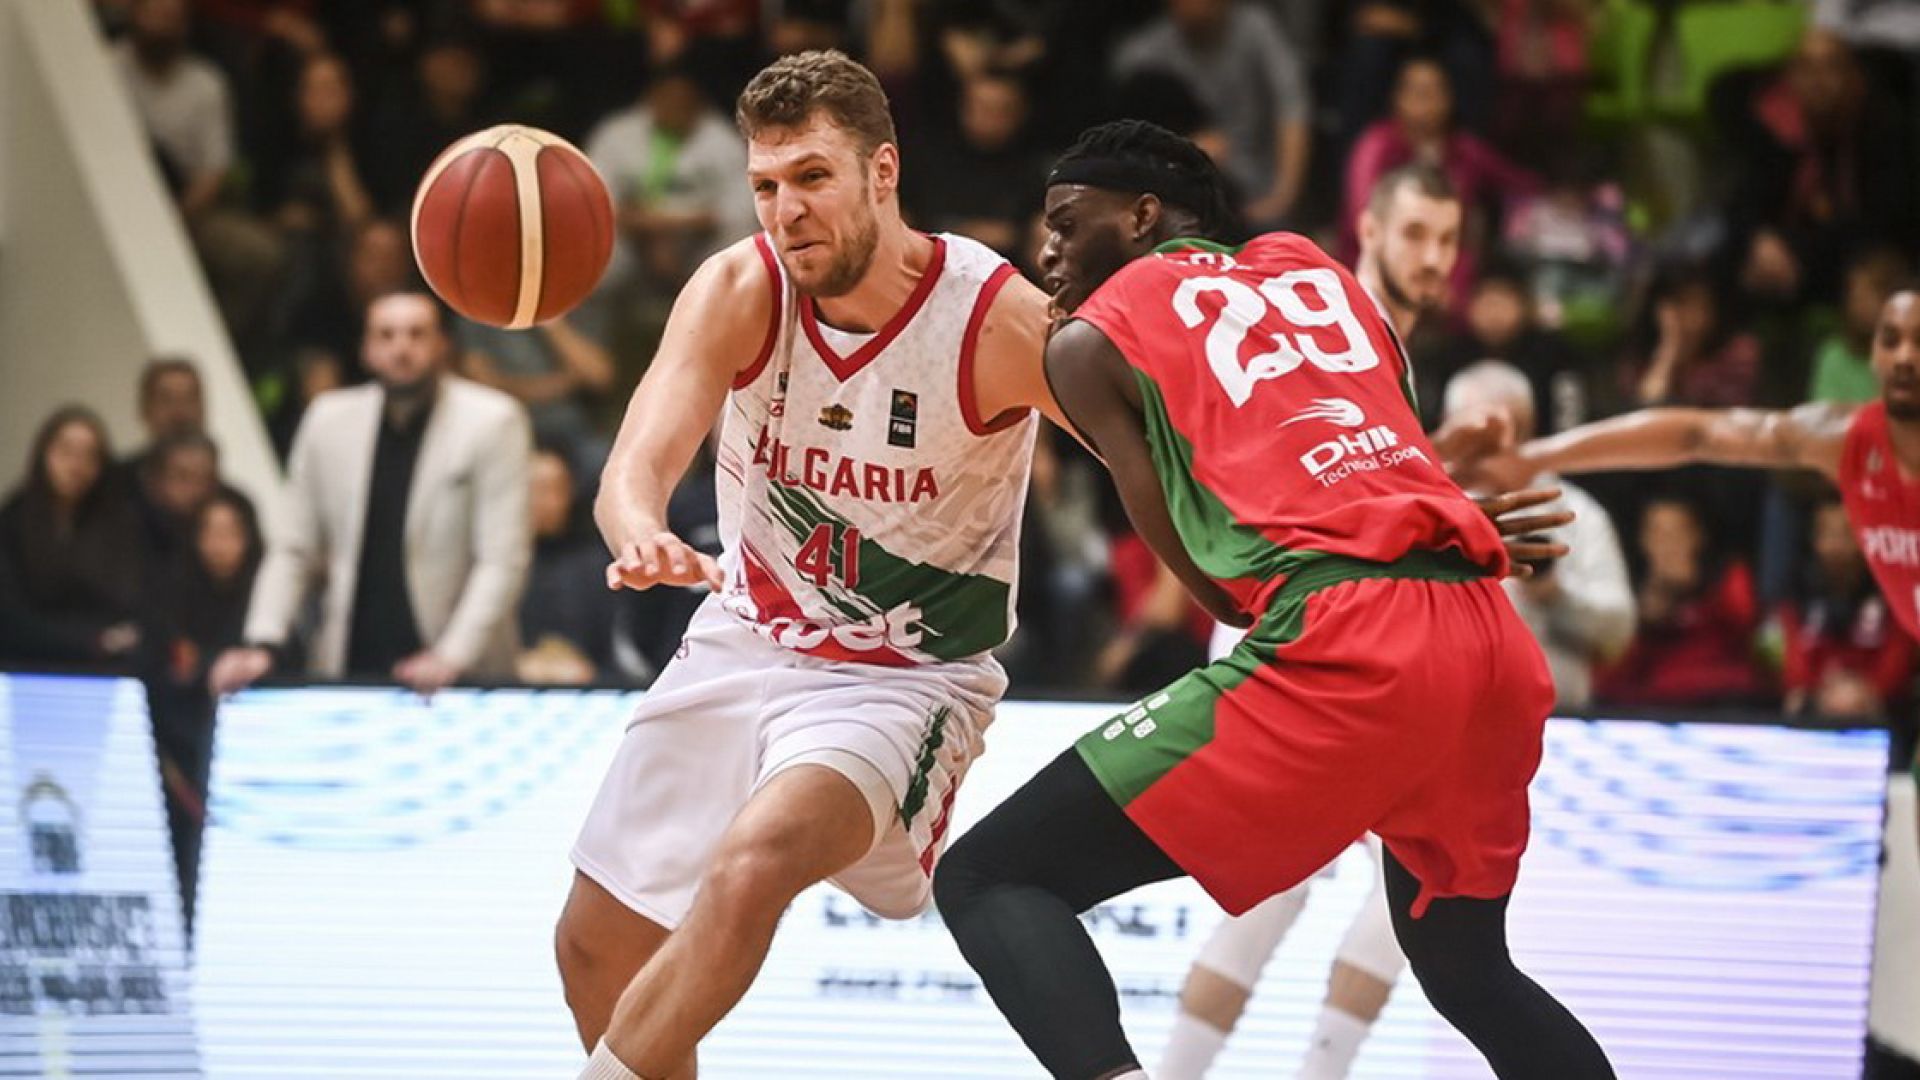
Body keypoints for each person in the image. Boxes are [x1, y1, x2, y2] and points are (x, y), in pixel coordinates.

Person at [934, 119, 1614, 1080]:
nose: (1045, 249)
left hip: (1351, 644)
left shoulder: (1086, 342)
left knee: (990, 876)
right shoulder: (1318, 269)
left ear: (1142, 216)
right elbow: (1379, 454)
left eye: (1066, 222)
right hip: (1485, 628)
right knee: (1469, 970)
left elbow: (1215, 586)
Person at [556, 50, 1064, 1080]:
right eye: (766, 185)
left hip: (903, 678)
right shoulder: (740, 287)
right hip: (746, 635)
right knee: (594, 949)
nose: (786, 210)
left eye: (813, 177)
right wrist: (641, 531)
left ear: (883, 170)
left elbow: (1162, 453)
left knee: (754, 862)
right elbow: (631, 471)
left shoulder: (994, 317)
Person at [1160, 160, 1468, 1080]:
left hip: (1341, 629)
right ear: (1367, 230)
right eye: (1415, 234)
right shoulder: (1320, 323)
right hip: (1297, 626)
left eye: (1448, 240)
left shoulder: (1393, 343)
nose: (1434, 257)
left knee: (1306, 889)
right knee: (1416, 869)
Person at [1470, 284, 1920, 880]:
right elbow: (1696, 434)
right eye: (1892, 339)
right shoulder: (1848, 439)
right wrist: (1538, 456)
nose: (1905, 356)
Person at [208, 290, 533, 696]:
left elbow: (502, 559)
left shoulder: (492, 421)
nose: (402, 348)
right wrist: (263, 640)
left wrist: (451, 656)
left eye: (417, 334)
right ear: (366, 349)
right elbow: (294, 547)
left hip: (460, 673)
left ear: (442, 345)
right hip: (352, 658)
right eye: (386, 335)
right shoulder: (329, 420)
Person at [1445, 362, 1634, 709]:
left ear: (1531, 428)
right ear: (1450, 431)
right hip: (1448, 715)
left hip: (1560, 720)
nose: (1500, 446)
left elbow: (1618, 632)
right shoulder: (1424, 513)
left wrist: (1554, 595)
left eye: (1513, 430)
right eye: (1481, 436)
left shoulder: (1577, 512)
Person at [0, 408, 145, 667]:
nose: (76, 465)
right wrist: (89, 641)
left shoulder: (121, 525)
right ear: (44, 454)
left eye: (89, 455)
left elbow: (128, 607)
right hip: (23, 665)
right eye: (66, 451)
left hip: (102, 669)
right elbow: (9, 614)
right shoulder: (13, 519)